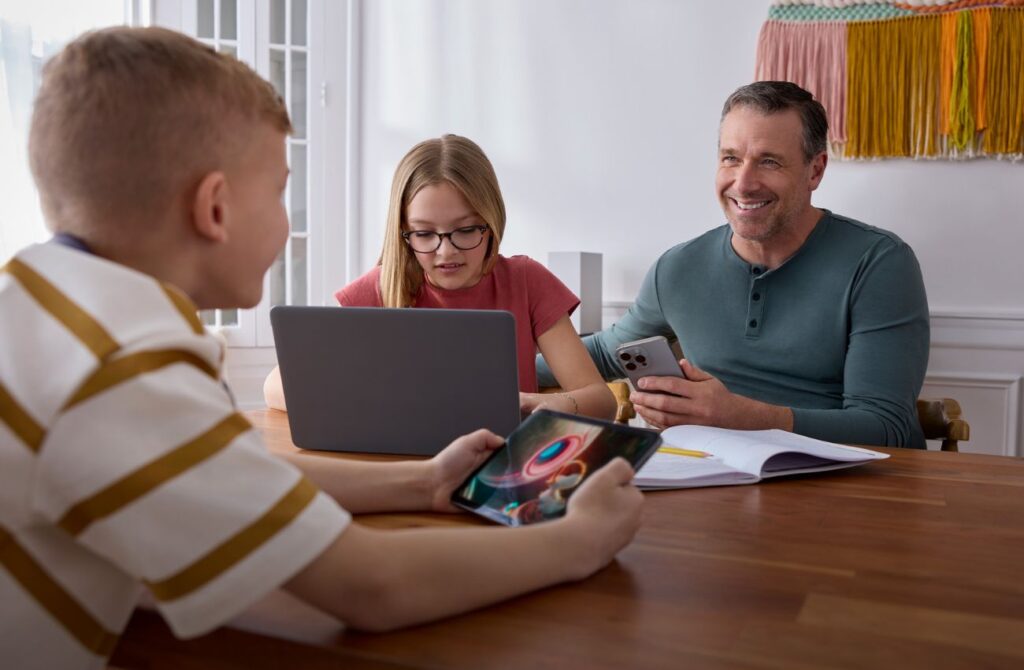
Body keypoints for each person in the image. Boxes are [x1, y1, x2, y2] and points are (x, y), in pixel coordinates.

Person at [0, 27, 643, 670]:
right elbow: (371, 584)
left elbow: (241, 469)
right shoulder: (124, 368)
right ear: (215, 209)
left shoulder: (51, 315)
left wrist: (421, 483)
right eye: (280, 188)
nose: (287, 218)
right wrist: (580, 540)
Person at [539, 81, 930, 448]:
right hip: (716, 482)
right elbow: (608, 353)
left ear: (816, 170)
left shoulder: (879, 263)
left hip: (847, 493)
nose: (743, 183)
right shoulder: (677, 268)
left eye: (769, 162)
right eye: (731, 158)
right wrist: (493, 366)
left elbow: (886, 427)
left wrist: (737, 415)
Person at [264, 134, 616, 420]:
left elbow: (601, 401)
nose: (446, 252)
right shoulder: (380, 288)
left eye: (465, 231)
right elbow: (275, 385)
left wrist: (542, 403)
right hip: (399, 468)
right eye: (423, 234)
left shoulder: (526, 281)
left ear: (491, 221)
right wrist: (365, 402)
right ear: (403, 230)